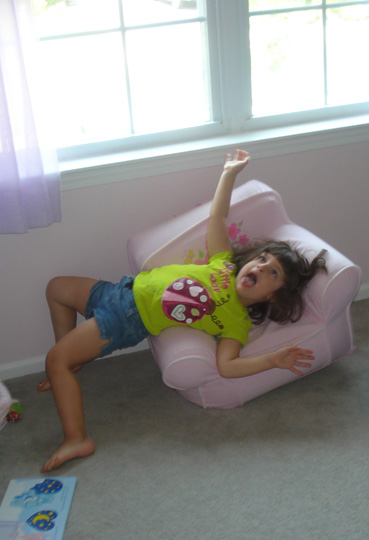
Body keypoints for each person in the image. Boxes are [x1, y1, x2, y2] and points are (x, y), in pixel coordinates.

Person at [37, 149, 327, 472]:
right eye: (262, 259)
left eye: (272, 273)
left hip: (128, 318)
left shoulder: (236, 322)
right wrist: (229, 173)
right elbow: (217, 218)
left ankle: (77, 437)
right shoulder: (223, 264)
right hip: (121, 290)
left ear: (273, 296)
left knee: (54, 360)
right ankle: (69, 364)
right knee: (56, 289)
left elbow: (227, 366)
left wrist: (272, 360)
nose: (259, 267)